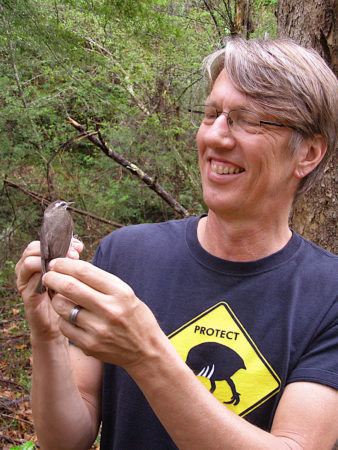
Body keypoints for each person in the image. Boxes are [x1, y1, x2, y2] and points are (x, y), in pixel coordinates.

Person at [16, 37, 337, 450]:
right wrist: (46, 336)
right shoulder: (126, 254)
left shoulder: (329, 295)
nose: (217, 136)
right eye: (211, 114)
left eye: (249, 119)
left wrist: (148, 356)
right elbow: (65, 440)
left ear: (307, 153)